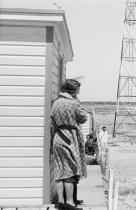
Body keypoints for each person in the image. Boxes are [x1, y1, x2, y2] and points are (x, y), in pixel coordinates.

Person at [51, 79, 88, 210]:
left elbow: (52, 124)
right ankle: (70, 203)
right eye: (78, 90)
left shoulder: (55, 103)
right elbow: (83, 118)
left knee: (60, 170)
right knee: (70, 171)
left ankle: (61, 201)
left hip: (58, 137)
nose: (79, 93)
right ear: (73, 91)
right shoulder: (73, 103)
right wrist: (78, 103)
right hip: (70, 137)